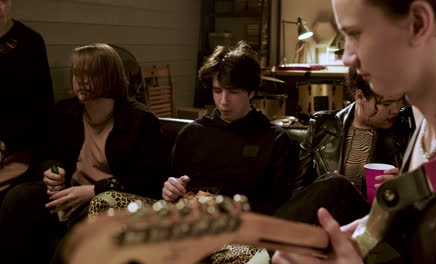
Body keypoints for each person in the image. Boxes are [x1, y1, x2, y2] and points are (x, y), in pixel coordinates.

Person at [272, 0, 436, 263]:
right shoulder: (425, 120)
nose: (347, 57)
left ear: (418, 23)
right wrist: (362, 241)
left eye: (355, 34)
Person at [0, 43, 170, 263]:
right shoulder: (65, 111)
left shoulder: (140, 120)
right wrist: (53, 171)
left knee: (87, 223)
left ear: (110, 77)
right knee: (19, 196)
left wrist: (94, 190)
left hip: (109, 200)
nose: (80, 80)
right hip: (70, 190)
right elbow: (48, 155)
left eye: (90, 74)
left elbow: (150, 180)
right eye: (77, 73)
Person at [162, 41, 292, 215]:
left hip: (243, 228)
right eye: (217, 91)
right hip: (190, 222)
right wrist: (170, 189)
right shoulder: (192, 133)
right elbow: (170, 186)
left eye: (233, 92)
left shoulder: (274, 139)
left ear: (251, 92)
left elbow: (278, 205)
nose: (223, 101)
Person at [275, 66, 413, 227]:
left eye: (400, 100)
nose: (396, 109)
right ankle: (258, 245)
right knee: (334, 183)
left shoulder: (408, 126)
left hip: (378, 220)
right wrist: (329, 189)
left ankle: (257, 248)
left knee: (336, 183)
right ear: (360, 96)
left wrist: (404, 186)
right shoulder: (322, 126)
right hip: (329, 221)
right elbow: (299, 193)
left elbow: (426, 192)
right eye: (387, 103)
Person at [0, 0, 54, 202]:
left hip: (19, 148)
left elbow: (42, 106)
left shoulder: (29, 41)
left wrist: (6, 142)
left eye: (3, 0)